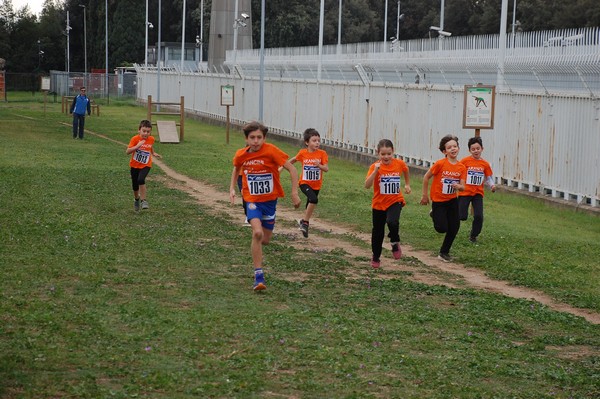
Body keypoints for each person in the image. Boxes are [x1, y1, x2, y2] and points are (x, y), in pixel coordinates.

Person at [229, 121, 301, 291]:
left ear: (264, 138)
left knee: (266, 239)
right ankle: (258, 275)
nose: (256, 141)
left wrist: (294, 192)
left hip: (270, 201)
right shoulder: (241, 154)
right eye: (252, 137)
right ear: (246, 139)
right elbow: (236, 168)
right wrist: (232, 188)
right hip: (251, 199)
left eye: (259, 137)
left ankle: (260, 248)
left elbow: (292, 169)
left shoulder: (271, 151)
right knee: (257, 233)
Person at [365, 139, 411, 268]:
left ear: (393, 152)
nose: (386, 157)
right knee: (378, 232)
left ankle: (394, 241)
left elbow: (406, 170)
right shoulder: (374, 167)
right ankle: (376, 256)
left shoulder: (399, 164)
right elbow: (367, 186)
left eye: (389, 154)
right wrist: (375, 172)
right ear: (378, 153)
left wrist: (407, 184)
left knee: (392, 222)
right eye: (383, 154)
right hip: (379, 203)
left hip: (395, 200)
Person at [420, 134, 466, 262]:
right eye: (449, 147)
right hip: (439, 201)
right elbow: (426, 177)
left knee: (455, 227)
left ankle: (444, 252)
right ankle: (434, 214)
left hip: (452, 200)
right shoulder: (440, 164)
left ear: (458, 148)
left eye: (455, 146)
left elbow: (463, 187)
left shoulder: (461, 167)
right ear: (444, 151)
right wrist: (424, 195)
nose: (453, 149)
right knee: (442, 228)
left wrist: (459, 186)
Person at [288, 128, 329, 238]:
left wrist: (319, 165)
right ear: (307, 142)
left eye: (318, 140)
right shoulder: (303, 153)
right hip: (304, 183)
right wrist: (282, 167)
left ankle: (303, 222)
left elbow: (326, 168)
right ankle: (305, 223)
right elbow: (294, 160)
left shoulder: (322, 154)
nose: (317, 143)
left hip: (316, 185)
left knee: (309, 205)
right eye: (314, 140)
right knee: (314, 200)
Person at [459, 136, 496, 243]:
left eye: (478, 148)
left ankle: (473, 235)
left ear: (482, 149)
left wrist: (492, 186)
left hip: (477, 193)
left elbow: (489, 177)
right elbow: (458, 171)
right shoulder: (465, 161)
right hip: (465, 192)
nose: (476, 151)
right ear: (469, 150)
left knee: (479, 216)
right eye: (473, 149)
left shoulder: (485, 164)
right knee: (462, 216)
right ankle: (445, 213)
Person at [126, 120, 161, 211]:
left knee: (141, 179)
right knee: (135, 185)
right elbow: (127, 152)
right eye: (144, 131)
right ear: (139, 130)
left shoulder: (151, 139)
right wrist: (137, 146)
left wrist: (153, 153)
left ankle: (144, 200)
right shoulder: (135, 139)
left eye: (148, 132)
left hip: (146, 164)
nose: (146, 133)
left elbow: (150, 145)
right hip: (134, 165)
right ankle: (136, 199)